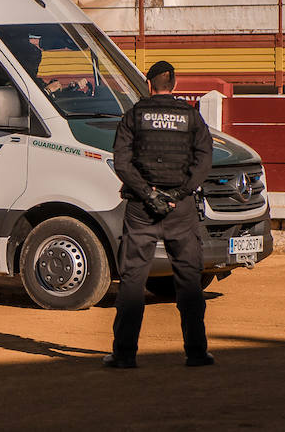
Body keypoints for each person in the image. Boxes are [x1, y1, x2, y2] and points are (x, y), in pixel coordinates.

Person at [105, 60, 214, 370]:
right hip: (180, 210)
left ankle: (124, 355)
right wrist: (179, 193)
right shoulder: (191, 117)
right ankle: (196, 353)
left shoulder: (134, 116)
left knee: (132, 280)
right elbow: (204, 161)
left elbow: (122, 163)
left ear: (149, 85)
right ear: (174, 84)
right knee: (189, 281)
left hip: (142, 209)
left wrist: (148, 193)